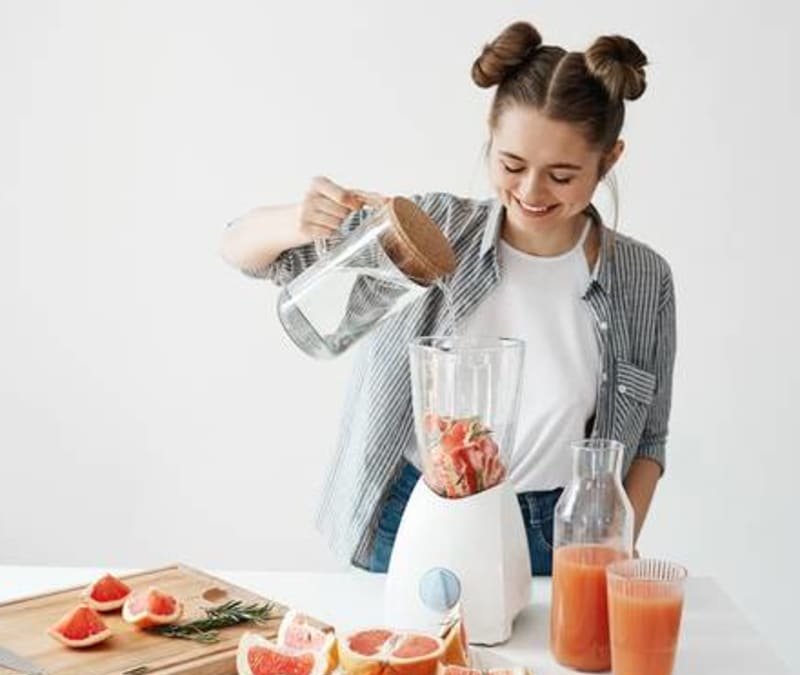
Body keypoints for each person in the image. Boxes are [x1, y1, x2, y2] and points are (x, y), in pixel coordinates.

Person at [220, 21, 676, 576]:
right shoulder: (431, 229)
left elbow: (649, 439)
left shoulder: (644, 280)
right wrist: (298, 220)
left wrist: (616, 544)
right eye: (512, 165)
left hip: (554, 532)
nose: (531, 192)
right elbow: (242, 250)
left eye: (562, 175)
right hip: (408, 510)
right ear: (490, 135)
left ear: (609, 160)